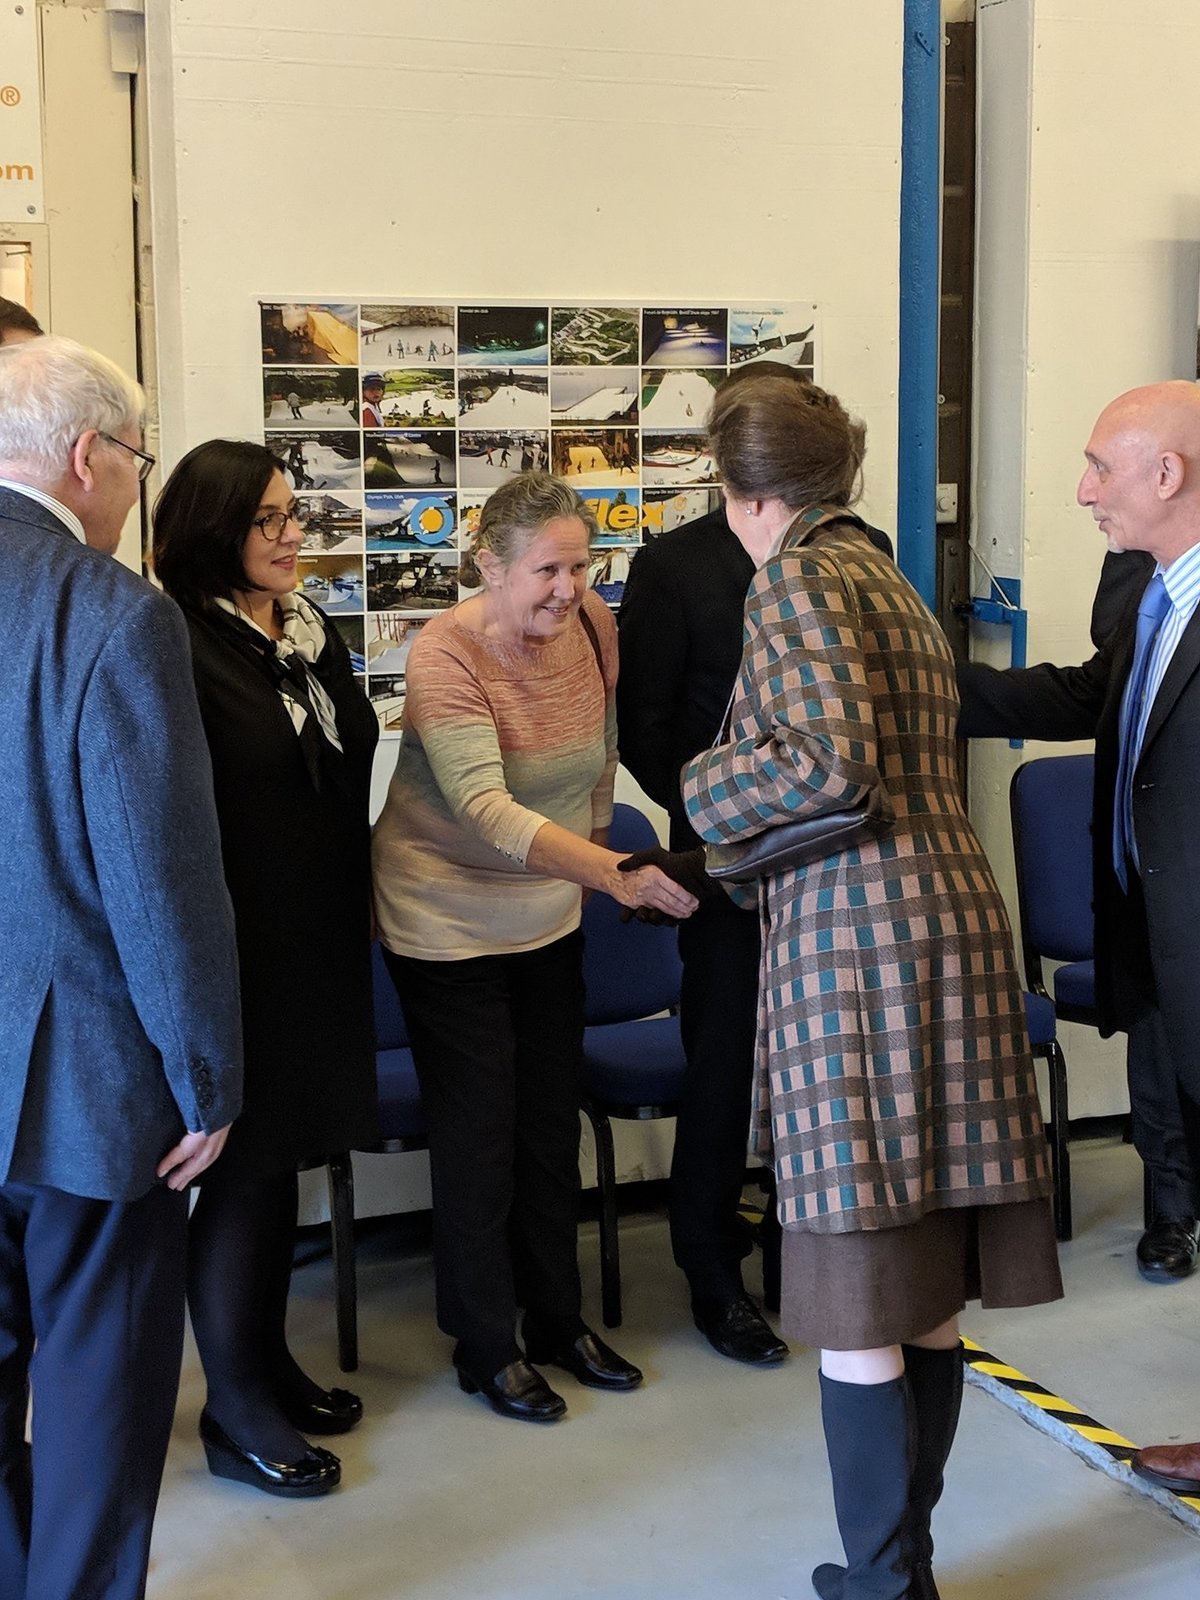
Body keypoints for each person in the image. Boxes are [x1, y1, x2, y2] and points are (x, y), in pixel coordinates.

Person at [678, 376, 1062, 1599]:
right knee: (925, 1286)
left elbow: (826, 764)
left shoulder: (793, 577)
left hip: (858, 946)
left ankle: (885, 1583)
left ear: (742, 493)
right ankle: (903, 1568)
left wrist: (702, 787)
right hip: (950, 919)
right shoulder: (885, 572)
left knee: (855, 1289)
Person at [372, 472, 697, 1424]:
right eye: (548, 571)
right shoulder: (445, 653)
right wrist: (613, 872)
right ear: (491, 566)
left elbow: (599, 757)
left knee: (550, 1124)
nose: (568, 588)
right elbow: (483, 804)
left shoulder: (593, 625)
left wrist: (590, 866)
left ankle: (558, 1319)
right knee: (480, 1135)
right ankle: (485, 1344)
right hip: (445, 918)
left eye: (580, 567)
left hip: (546, 910)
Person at [0, 335, 242, 1598]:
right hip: (85, 1081)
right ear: (88, 456)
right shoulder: (114, 614)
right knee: (99, 1380)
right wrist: (207, 1081)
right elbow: (161, 886)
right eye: (140, 461)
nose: (137, 487)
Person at [619, 363, 894, 1366]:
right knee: (723, 1072)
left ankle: (801, 1255)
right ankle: (710, 1268)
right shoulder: (673, 565)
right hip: (726, 868)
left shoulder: (855, 553)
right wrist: (717, 829)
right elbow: (645, 727)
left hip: (827, 869)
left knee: (823, 1075)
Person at [955, 381, 1200, 1493]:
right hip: (1159, 940)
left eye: (1101, 465)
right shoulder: (1145, 587)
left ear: (1167, 474)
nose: (1082, 489)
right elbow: (1094, 698)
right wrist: (931, 688)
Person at [152, 440, 379, 1497]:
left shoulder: (308, 631)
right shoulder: (178, 641)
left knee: (282, 1159)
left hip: (319, 941)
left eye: (295, 515)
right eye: (268, 520)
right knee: (242, 1174)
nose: (294, 535)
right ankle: (232, 1407)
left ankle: (268, 1362)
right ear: (214, 531)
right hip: (240, 948)